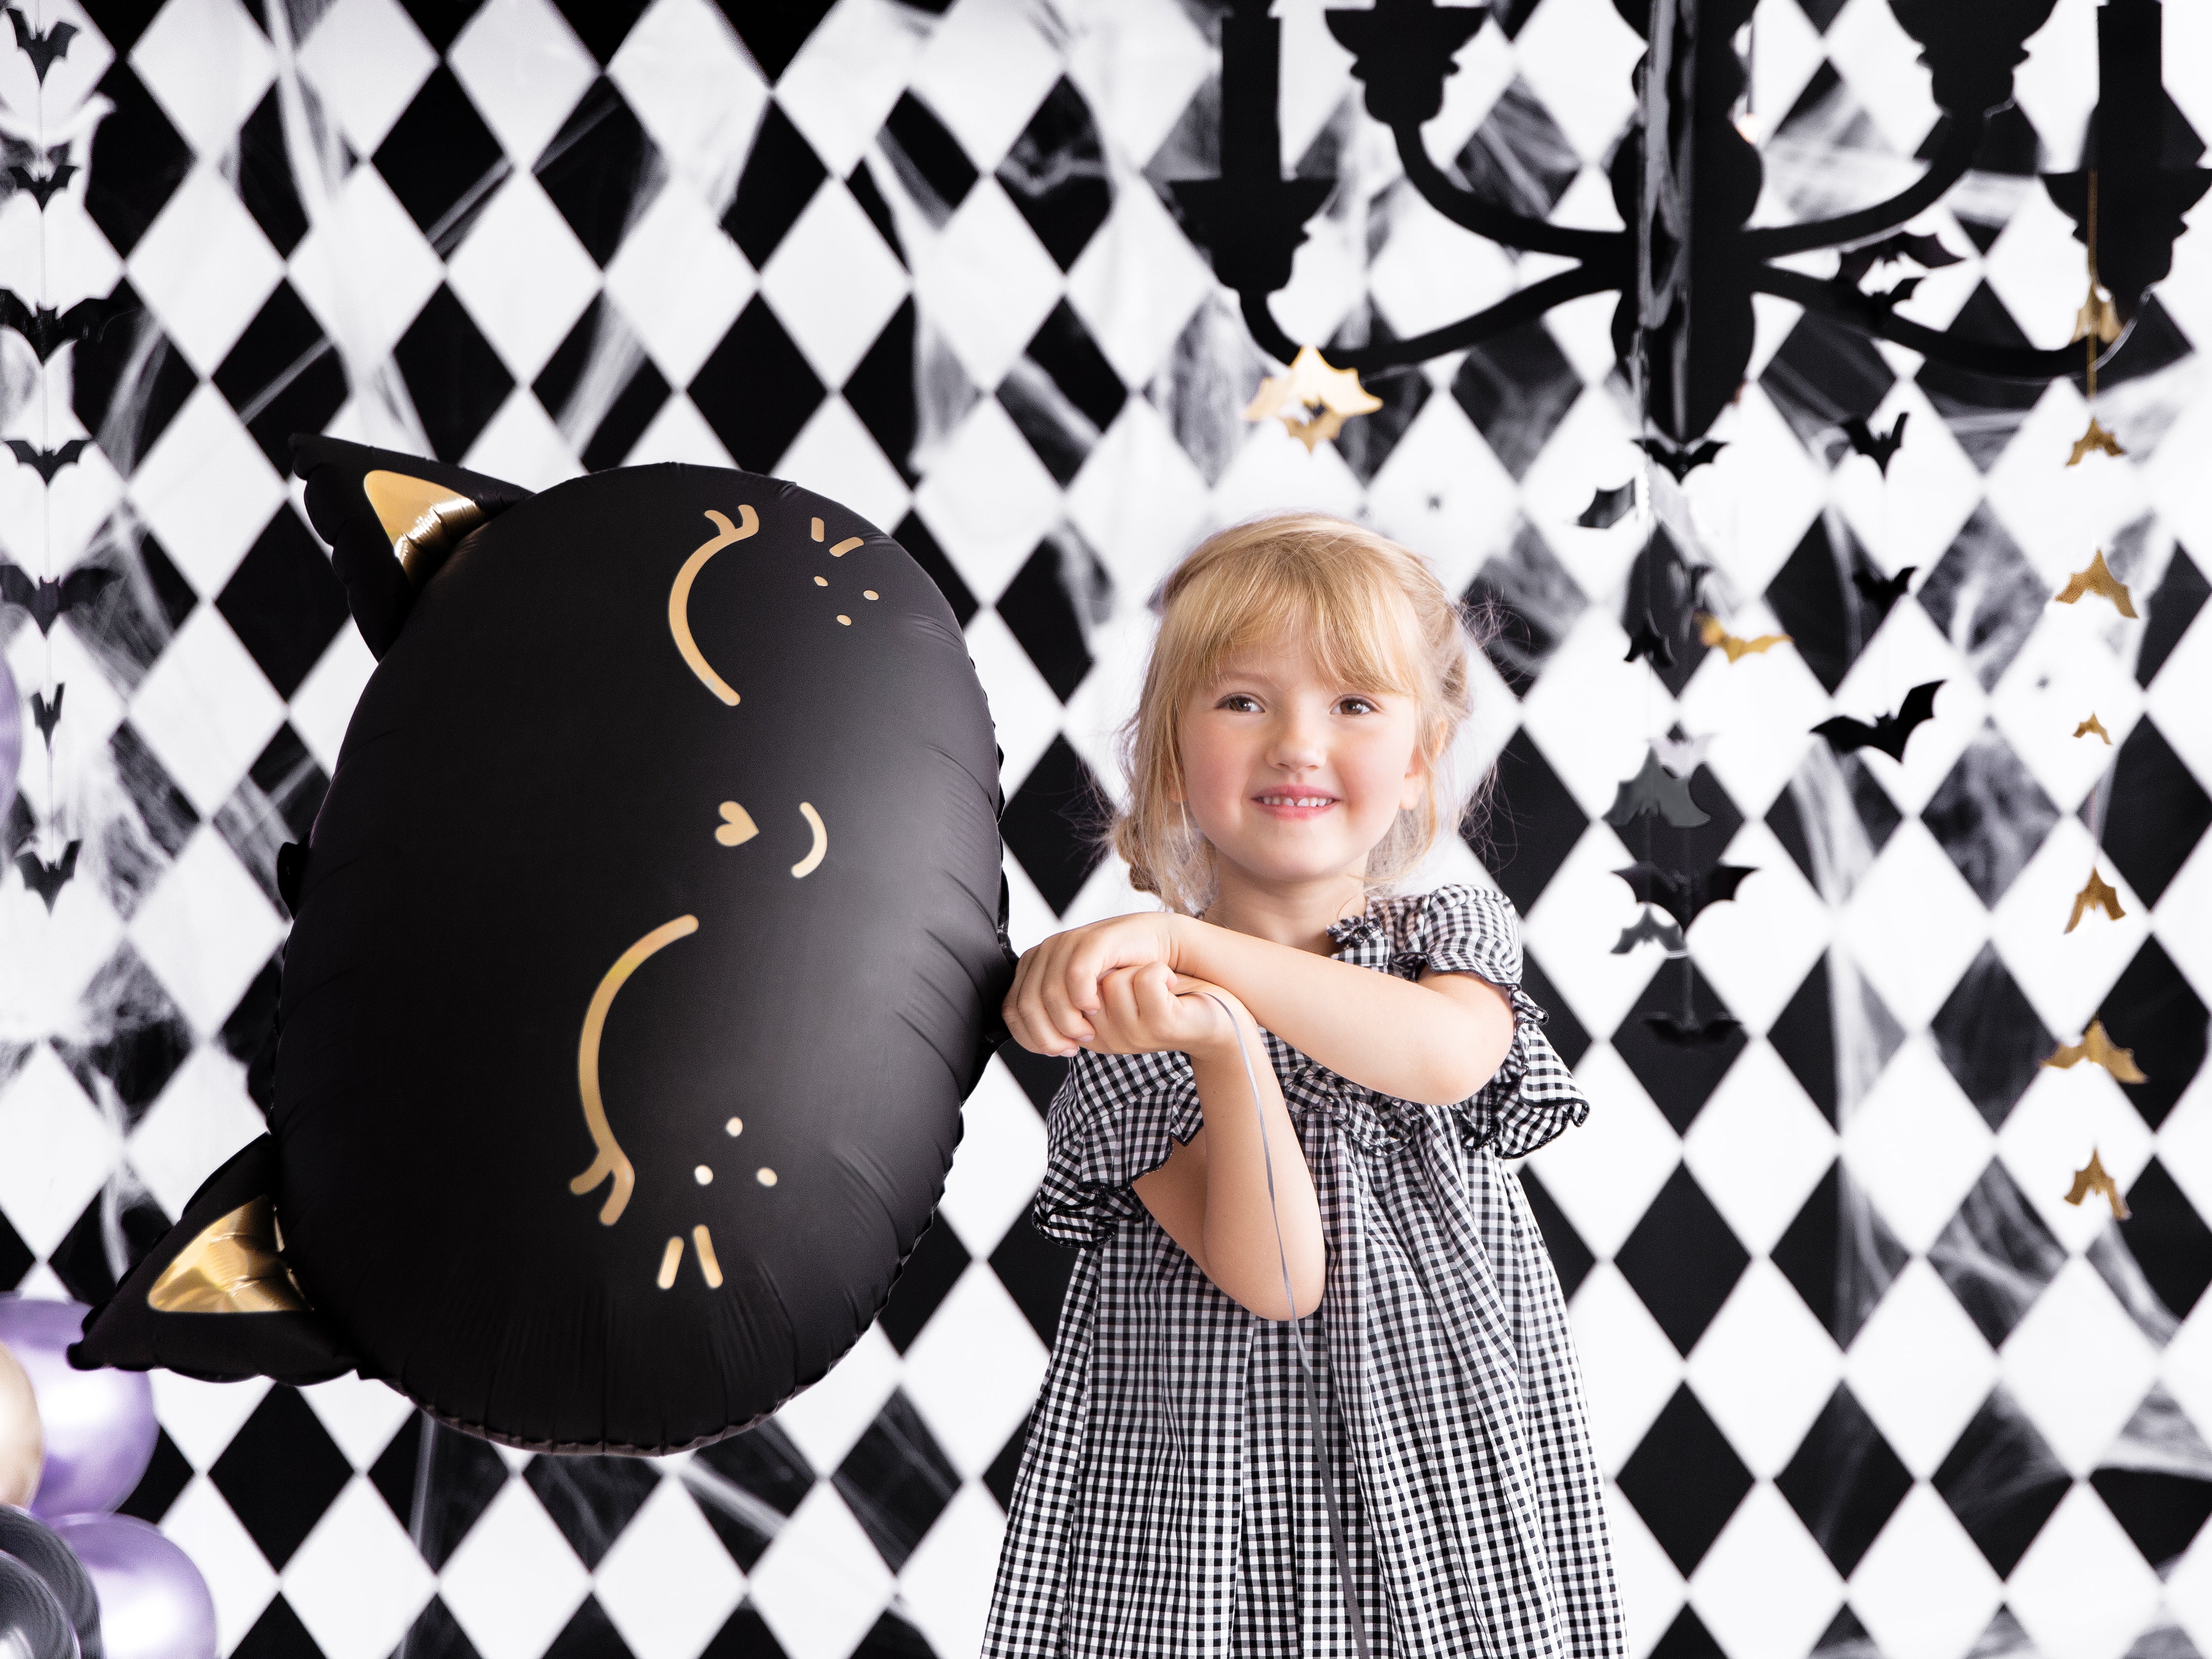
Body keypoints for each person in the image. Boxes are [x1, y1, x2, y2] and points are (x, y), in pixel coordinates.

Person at [981, 514, 1623, 1658]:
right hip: (1216, 1512)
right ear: (1170, 758)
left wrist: (1190, 944)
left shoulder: (1443, 938)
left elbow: (1444, 1057)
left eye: (1355, 703)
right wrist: (1223, 1044)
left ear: (1419, 759)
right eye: (1243, 700)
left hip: (1444, 1495)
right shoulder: (1145, 1026)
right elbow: (1278, 1277)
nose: (1296, 743)